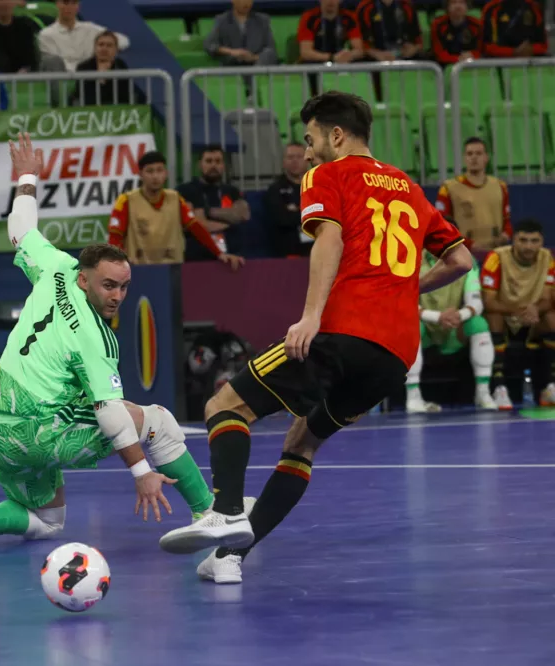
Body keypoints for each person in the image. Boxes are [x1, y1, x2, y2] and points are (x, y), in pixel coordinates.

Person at [157, 92, 473, 585]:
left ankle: (223, 513)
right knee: (301, 444)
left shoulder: (329, 174)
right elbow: (460, 261)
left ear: (337, 135)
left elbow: (329, 238)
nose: (307, 152)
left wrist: (309, 317)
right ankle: (229, 560)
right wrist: (406, 287)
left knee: (225, 406)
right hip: (395, 355)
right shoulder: (410, 188)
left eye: (310, 140)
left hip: (341, 332)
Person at [0, 134, 218, 552]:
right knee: (156, 422)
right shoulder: (95, 337)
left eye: (124, 287)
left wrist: (26, 177)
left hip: (2, 436)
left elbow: (21, 228)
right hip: (45, 431)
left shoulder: (56, 266)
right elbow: (110, 412)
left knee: (47, 521)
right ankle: (208, 513)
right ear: (85, 279)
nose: (116, 296)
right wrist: (141, 474)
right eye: (108, 285)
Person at [109, 151, 243, 269]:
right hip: (140, 269)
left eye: (159, 170)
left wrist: (219, 253)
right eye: (150, 171)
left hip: (173, 269)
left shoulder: (175, 199)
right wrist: (120, 260)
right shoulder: (126, 200)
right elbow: (115, 236)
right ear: (141, 174)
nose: (155, 176)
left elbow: (196, 228)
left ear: (166, 173)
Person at [405, 251, 498, 413]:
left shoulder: (468, 262)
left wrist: (458, 316)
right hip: (425, 327)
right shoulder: (411, 260)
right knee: (408, 325)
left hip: (455, 329)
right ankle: (413, 398)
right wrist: (438, 317)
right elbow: (405, 300)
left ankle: (483, 393)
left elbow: (476, 303)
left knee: (479, 324)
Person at [480, 219, 555, 409]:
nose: (528, 246)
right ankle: (499, 387)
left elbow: (548, 298)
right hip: (504, 316)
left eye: (534, 241)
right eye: (523, 240)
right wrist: (518, 311)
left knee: (552, 317)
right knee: (492, 316)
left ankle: (549, 386)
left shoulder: (548, 258)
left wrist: (535, 309)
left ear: (541, 242)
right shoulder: (496, 257)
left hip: (533, 318)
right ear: (514, 240)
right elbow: (488, 301)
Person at [435, 137, 511, 254]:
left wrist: (505, 236)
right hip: (464, 253)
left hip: (495, 252)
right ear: (464, 158)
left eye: (479, 153)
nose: (474, 157)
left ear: (486, 157)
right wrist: (470, 244)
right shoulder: (448, 188)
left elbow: (507, 220)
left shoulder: (500, 186)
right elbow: (442, 225)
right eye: (469, 154)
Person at [176, 145, 251, 260]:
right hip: (198, 251)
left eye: (218, 161)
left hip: (231, 247)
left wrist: (207, 211)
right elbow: (197, 224)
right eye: (209, 161)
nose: (213, 165)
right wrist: (229, 222)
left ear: (223, 166)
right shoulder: (186, 190)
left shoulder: (232, 190)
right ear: (200, 164)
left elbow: (243, 215)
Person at [37, 0, 130, 72]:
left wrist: (106, 49)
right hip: (65, 78)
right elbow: (56, 64)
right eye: (65, 2)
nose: (69, 7)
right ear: (57, 4)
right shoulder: (46, 34)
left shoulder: (90, 28)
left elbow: (123, 40)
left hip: (93, 76)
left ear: (78, 6)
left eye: (73, 3)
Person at [263, 142, 312, 257]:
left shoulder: (317, 186)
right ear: (283, 162)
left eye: (299, 157)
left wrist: (296, 212)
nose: (295, 161)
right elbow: (282, 219)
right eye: (290, 157)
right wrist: (311, 213)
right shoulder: (275, 189)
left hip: (318, 250)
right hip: (289, 253)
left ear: (307, 160)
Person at [203, 0, 278, 67]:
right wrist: (232, 52)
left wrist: (253, 57)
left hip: (257, 67)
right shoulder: (222, 20)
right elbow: (209, 45)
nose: (246, 3)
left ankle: (254, 76)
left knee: (267, 54)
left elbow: (272, 51)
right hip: (231, 68)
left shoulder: (262, 20)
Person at [297, 0, 364, 64]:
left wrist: (348, 55)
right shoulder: (309, 17)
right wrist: (332, 58)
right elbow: (305, 52)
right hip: (317, 60)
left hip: (341, 58)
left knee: (362, 61)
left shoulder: (349, 17)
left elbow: (359, 50)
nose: (330, 1)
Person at [355, 0, 424, 62]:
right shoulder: (365, 8)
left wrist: (413, 49)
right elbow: (360, 47)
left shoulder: (407, 5)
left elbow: (419, 43)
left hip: (405, 59)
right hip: (375, 62)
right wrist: (376, 53)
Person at [480, 0, 547, 58]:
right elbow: (486, 47)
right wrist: (513, 52)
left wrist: (531, 49)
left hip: (531, 68)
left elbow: (543, 45)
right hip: (500, 68)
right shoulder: (492, 9)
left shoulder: (533, 7)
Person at [430, 0, 482, 65]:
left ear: (467, 6)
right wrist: (458, 59)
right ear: (447, 6)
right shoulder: (438, 25)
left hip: (471, 64)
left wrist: (472, 55)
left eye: (462, 2)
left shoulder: (476, 25)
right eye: (453, 3)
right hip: (444, 65)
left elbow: (481, 49)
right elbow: (438, 53)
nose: (458, 6)